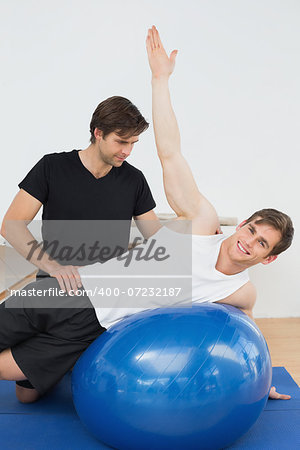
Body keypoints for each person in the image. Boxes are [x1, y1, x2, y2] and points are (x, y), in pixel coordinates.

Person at [79, 26, 294, 400]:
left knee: (19, 377)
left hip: (104, 327)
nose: (249, 242)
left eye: (262, 244)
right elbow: (170, 154)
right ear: (242, 224)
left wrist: (261, 382)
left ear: (268, 258)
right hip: (82, 288)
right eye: (252, 230)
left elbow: (245, 338)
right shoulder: (201, 224)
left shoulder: (241, 292)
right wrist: (160, 79)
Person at [0, 96, 160, 403]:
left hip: (95, 302)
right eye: (121, 141)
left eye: (134, 143)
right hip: (52, 290)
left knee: (26, 396)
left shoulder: (134, 180)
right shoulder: (52, 167)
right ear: (98, 132)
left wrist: (202, 240)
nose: (127, 151)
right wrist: (55, 266)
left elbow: (158, 238)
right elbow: (12, 226)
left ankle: (58, 358)